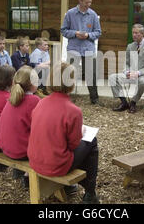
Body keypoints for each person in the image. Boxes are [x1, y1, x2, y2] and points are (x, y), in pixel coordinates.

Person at [28, 62, 100, 204]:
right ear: (72, 82)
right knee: (92, 142)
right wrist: (80, 132)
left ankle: (76, 187)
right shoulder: (73, 111)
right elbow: (73, 145)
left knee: (86, 147)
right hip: (55, 165)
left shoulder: (40, 103)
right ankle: (90, 193)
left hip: (35, 160)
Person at [0, 66, 40, 182]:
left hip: (6, 147)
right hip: (21, 151)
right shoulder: (34, 100)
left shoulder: (12, 98)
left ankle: (20, 173)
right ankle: (27, 177)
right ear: (33, 84)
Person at [61, 0, 102, 104]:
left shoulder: (93, 15)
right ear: (80, 1)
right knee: (69, 74)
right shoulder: (70, 14)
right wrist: (75, 33)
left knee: (91, 74)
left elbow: (98, 32)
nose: (88, 4)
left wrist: (88, 35)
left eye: (90, 2)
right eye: (86, 2)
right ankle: (65, 97)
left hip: (88, 49)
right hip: (74, 48)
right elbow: (63, 31)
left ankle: (94, 99)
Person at [109, 24, 144, 113]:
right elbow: (126, 63)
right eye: (133, 33)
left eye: (136, 33)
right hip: (131, 74)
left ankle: (133, 102)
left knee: (142, 81)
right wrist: (126, 71)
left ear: (142, 34)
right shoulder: (130, 46)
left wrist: (138, 73)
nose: (134, 35)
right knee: (112, 77)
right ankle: (124, 103)